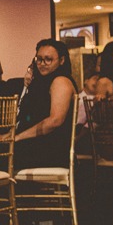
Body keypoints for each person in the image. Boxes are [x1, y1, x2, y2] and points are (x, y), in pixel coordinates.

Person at [13, 39, 77, 172]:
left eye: (48, 59)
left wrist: (16, 138)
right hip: (36, 145)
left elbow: (55, 121)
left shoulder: (61, 81)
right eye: (39, 59)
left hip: (52, 150)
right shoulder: (41, 82)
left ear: (62, 60)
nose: (42, 64)